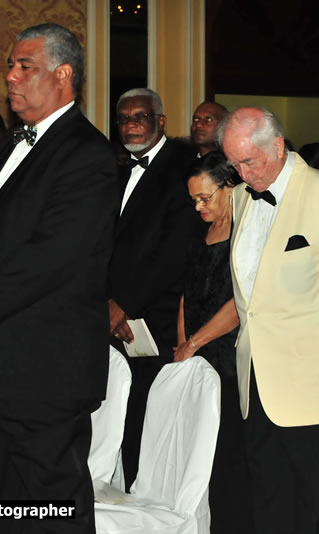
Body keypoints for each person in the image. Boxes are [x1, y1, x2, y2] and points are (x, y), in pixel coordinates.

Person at [0, 23, 117, 533]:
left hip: (41, 371)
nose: (10, 76)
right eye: (10, 65)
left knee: (53, 510)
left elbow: (53, 256)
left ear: (63, 75)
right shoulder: (14, 145)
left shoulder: (89, 155)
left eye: (24, 66)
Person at [220, 107, 319, 534]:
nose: (242, 174)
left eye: (249, 162)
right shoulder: (244, 197)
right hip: (257, 384)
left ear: (277, 146)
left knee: (316, 513)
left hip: (317, 388)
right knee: (269, 507)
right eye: (234, 164)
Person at [108, 87, 199, 486]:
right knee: (113, 415)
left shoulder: (181, 168)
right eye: (124, 119)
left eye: (139, 117)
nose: (130, 125)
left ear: (160, 121)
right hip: (108, 316)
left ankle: (149, 508)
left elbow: (174, 252)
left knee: (149, 421)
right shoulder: (111, 167)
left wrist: (125, 304)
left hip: (158, 319)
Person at [173, 152, 254, 533]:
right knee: (197, 452)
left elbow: (241, 302)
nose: (198, 206)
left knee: (228, 456)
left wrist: (196, 343)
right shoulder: (198, 232)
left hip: (231, 356)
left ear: (230, 187)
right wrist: (181, 348)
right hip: (199, 354)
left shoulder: (248, 230)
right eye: (193, 199)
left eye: (205, 197)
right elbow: (187, 294)